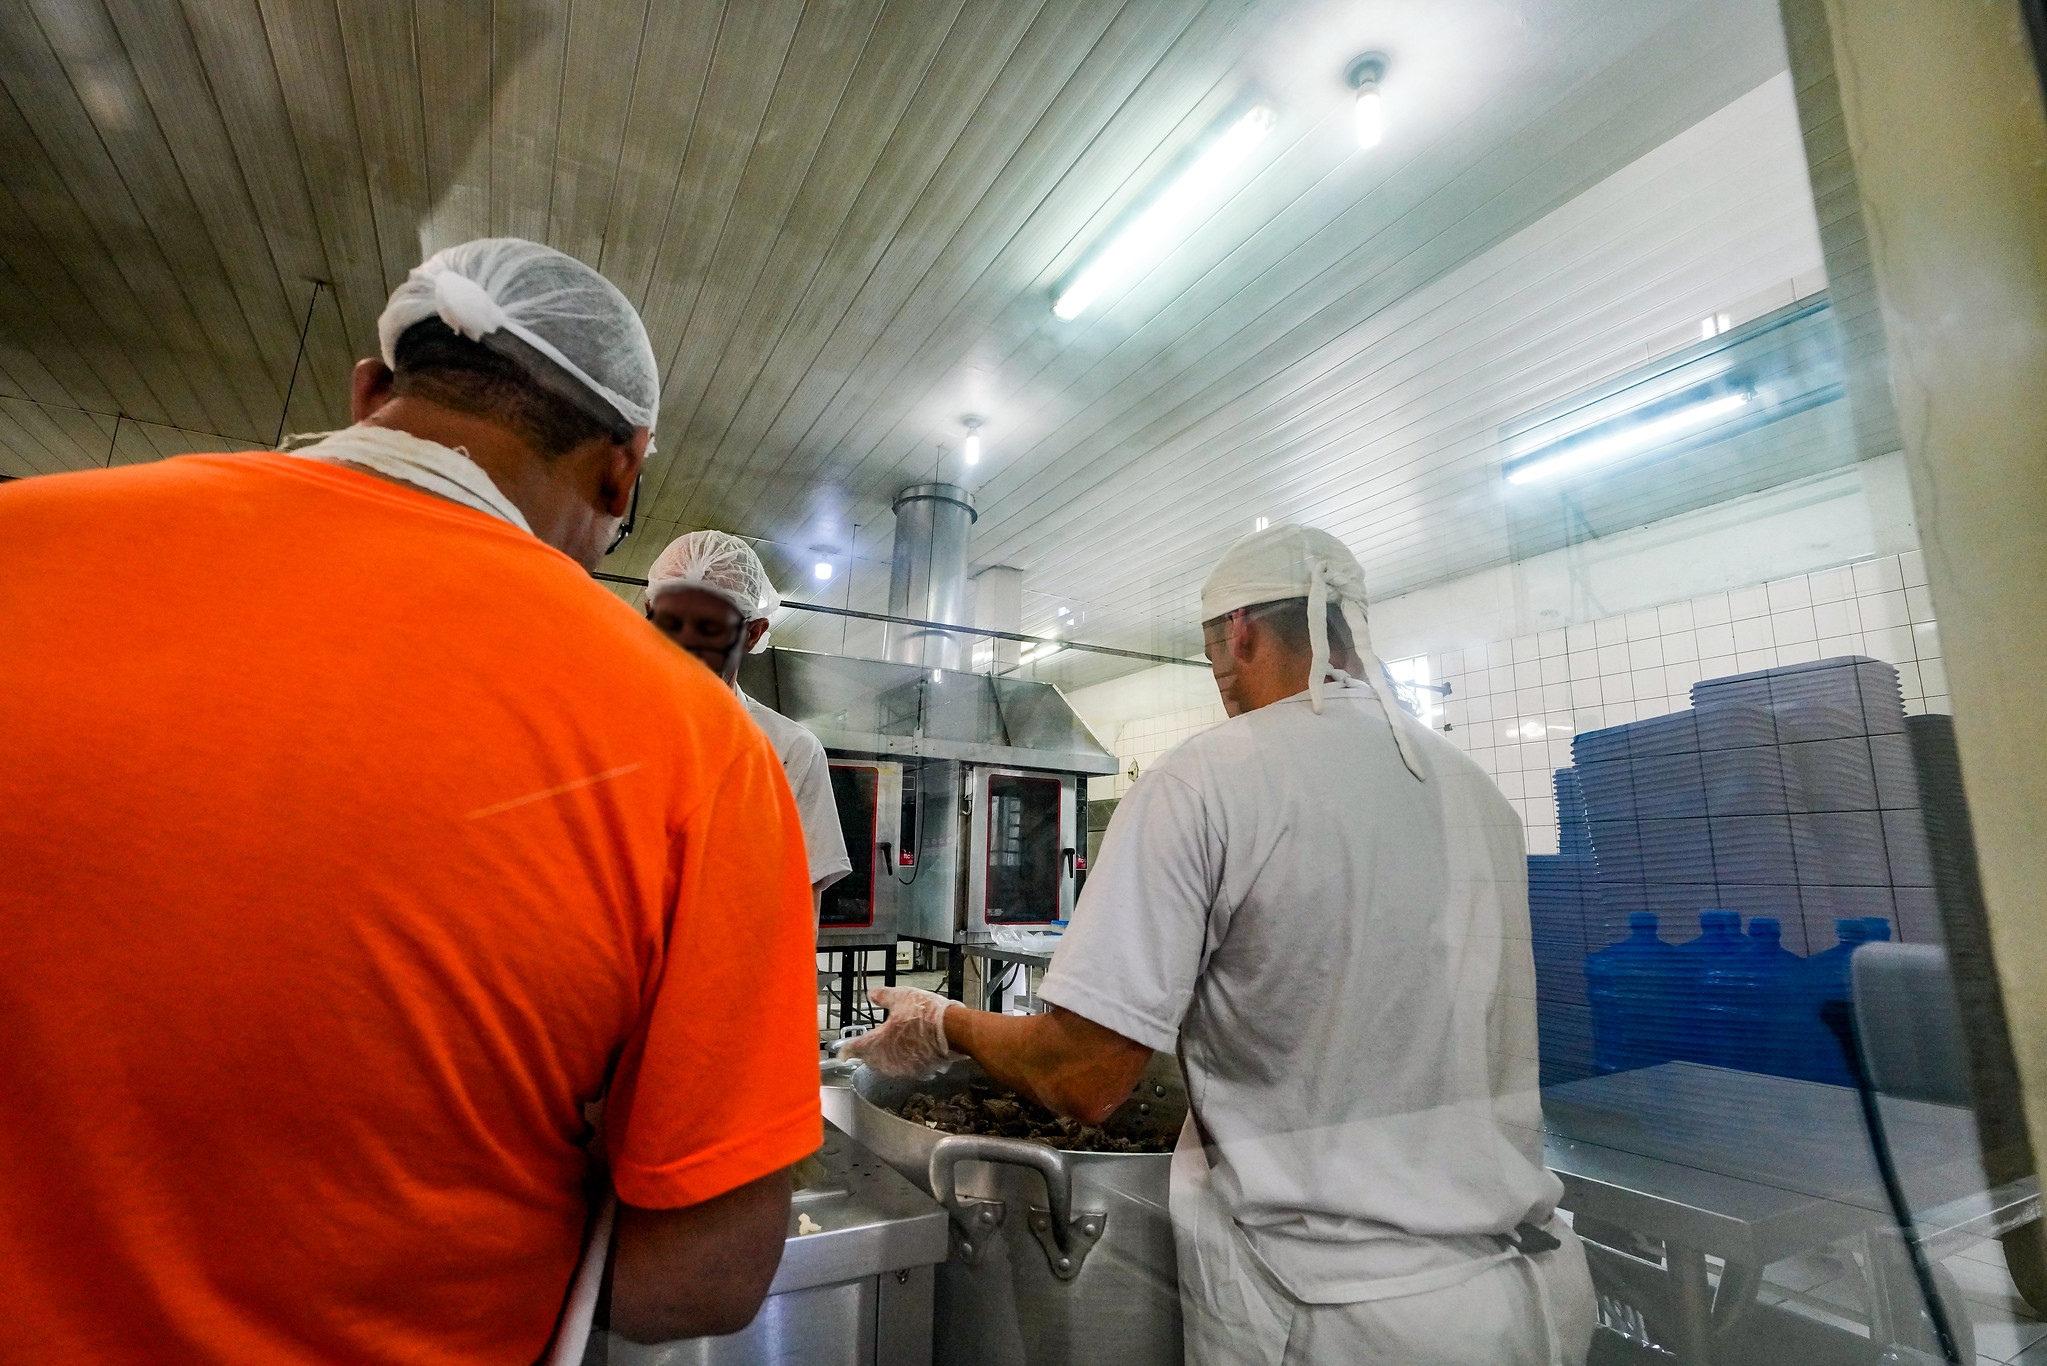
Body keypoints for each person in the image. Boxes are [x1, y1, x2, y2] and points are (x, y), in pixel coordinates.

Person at [0, 238, 821, 1365]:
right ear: (623, 473)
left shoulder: (25, 544)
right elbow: (702, 1275)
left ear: (370, 388)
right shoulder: (695, 742)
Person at [841, 524, 1597, 1366]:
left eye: (1212, 657)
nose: (1220, 682)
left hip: (1341, 1311)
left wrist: (942, 1022)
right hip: (1533, 1296)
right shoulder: (1476, 795)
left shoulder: (1205, 778)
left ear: (1237, 630)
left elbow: (1083, 1076)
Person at [643, 529, 852, 921]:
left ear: (753, 633)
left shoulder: (790, 752)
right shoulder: (605, 726)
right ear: (648, 611)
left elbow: (799, 906)